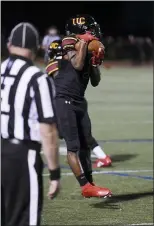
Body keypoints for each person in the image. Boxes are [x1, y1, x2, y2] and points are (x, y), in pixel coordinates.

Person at [46, 15, 112, 198]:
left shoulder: (86, 46)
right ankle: (85, 187)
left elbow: (96, 81)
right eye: (91, 28)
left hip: (79, 100)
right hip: (64, 99)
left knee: (85, 146)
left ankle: (90, 184)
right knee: (73, 147)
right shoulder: (68, 41)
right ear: (82, 29)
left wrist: (95, 63)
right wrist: (84, 44)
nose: (95, 31)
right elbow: (76, 64)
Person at [1, 22, 60, 226]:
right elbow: (48, 131)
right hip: (22, 157)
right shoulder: (37, 78)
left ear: (9, 45)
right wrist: (54, 172)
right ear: (35, 49)